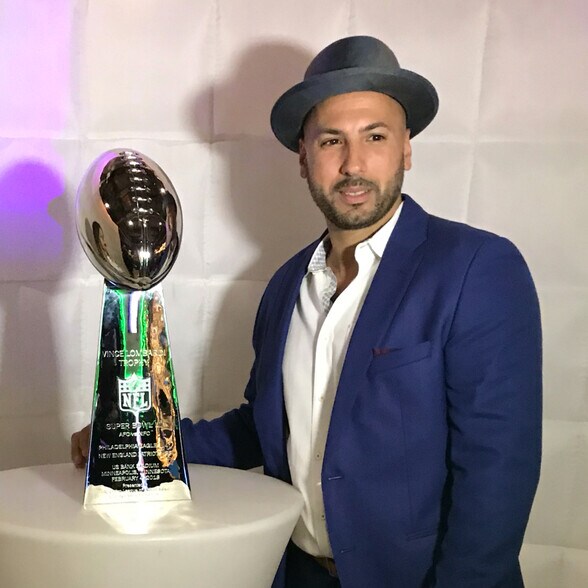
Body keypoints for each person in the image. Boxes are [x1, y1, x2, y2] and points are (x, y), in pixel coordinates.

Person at [72, 36, 542, 587]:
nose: (353, 164)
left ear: (406, 149)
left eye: (375, 136)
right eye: (331, 140)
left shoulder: (476, 268)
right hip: (295, 575)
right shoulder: (284, 286)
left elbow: (497, 470)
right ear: (304, 157)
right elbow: (263, 428)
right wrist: (135, 439)